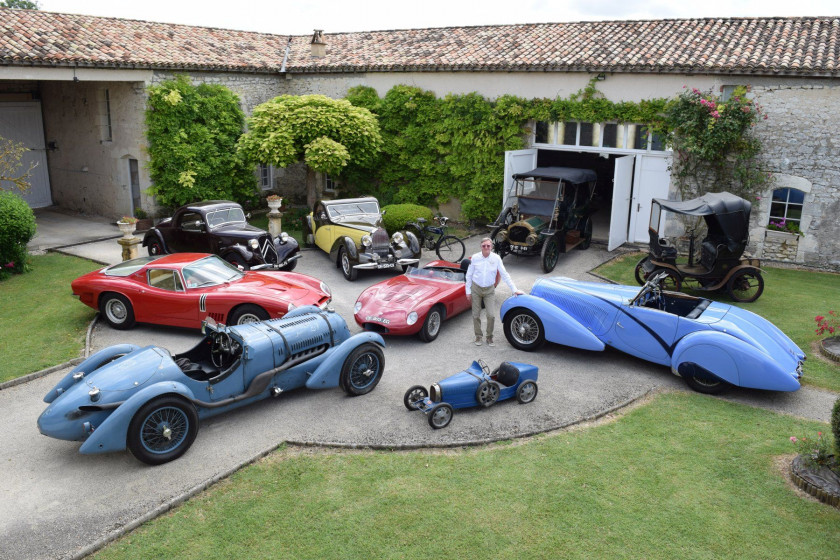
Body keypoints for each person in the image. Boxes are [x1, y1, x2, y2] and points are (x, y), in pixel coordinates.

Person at [465, 237, 524, 346]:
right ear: (481, 246)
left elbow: (504, 274)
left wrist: (514, 289)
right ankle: (478, 336)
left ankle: (489, 337)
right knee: (475, 315)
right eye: (484, 246)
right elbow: (469, 275)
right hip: (476, 289)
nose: (486, 247)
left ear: (491, 247)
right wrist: (467, 291)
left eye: (488, 246)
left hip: (489, 290)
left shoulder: (496, 258)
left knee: (491, 315)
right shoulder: (475, 258)